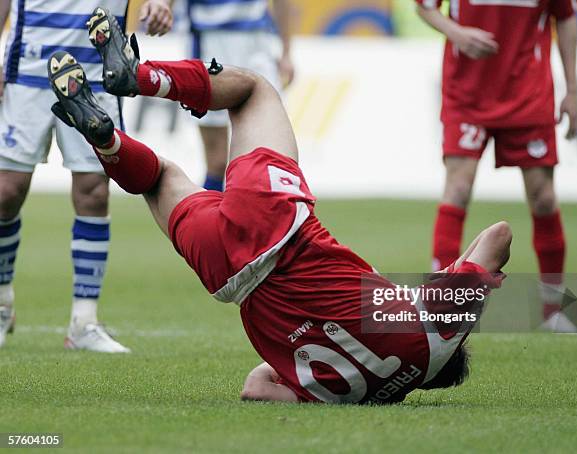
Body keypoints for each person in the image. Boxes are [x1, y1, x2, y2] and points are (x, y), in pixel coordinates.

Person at [47, 8, 511, 403]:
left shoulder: (430, 332)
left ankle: (141, 75)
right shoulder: (336, 393)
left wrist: (463, 288)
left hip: (281, 225)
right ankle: (107, 141)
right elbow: (255, 388)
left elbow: (499, 236)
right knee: (159, 179)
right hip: (229, 272)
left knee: (254, 90)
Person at [0, 0, 175, 351]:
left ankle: (84, 321)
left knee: (94, 192)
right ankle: (2, 302)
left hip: (96, 67)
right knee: (6, 191)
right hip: (27, 63)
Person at [414, 0, 577, 331]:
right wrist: (455, 32)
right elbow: (424, 6)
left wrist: (572, 88)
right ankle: (439, 304)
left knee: (543, 196)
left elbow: (566, 18)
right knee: (458, 188)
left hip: (529, 93)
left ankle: (553, 307)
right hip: (467, 93)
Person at [187, 0, 294, 191]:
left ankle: (264, 219)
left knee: (269, 155)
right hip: (208, 40)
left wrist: (286, 52)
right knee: (217, 162)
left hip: (256, 42)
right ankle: (212, 220)